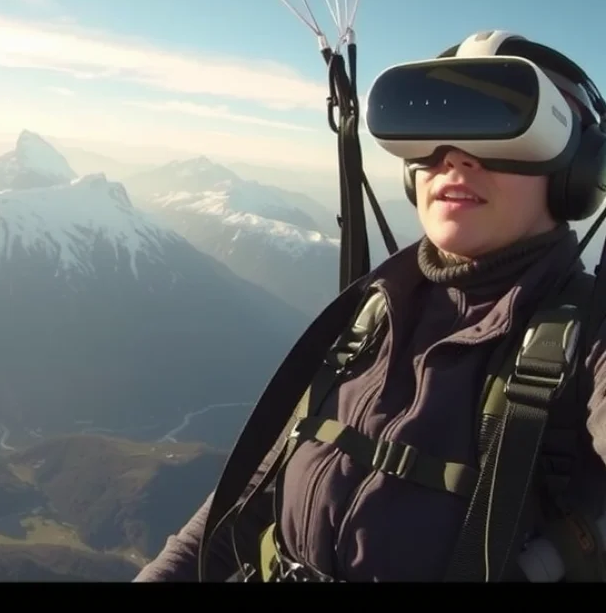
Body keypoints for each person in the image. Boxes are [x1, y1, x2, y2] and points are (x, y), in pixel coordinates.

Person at [135, 30, 606, 583]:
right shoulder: (372, 310)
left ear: (576, 173)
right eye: (436, 128)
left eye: (505, 128)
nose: (456, 157)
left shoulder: (586, 340)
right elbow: (255, 489)